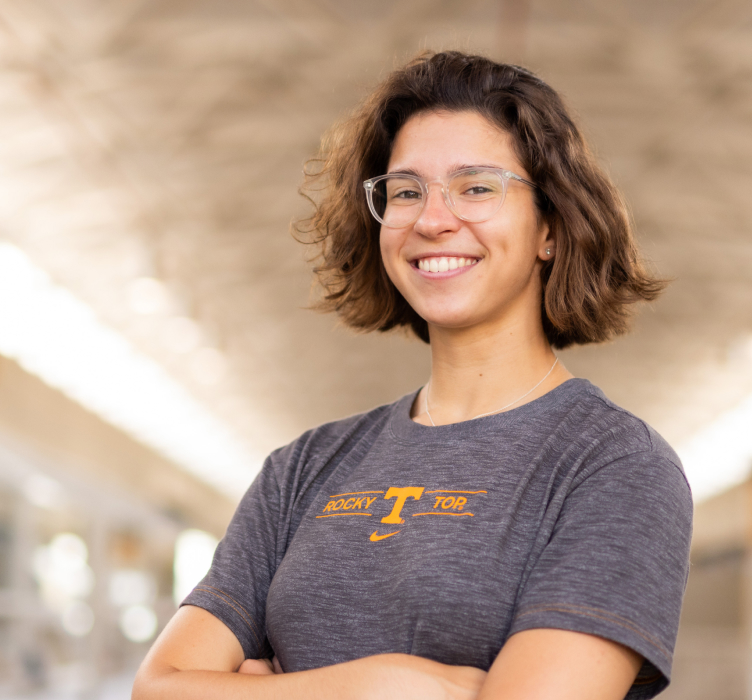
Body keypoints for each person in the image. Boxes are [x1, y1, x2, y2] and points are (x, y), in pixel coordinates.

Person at [133, 51, 692, 700]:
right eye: (405, 192)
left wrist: (263, 689)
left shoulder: (615, 466)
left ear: (551, 227)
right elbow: (160, 688)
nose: (432, 220)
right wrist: (389, 686)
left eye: (477, 187)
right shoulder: (303, 469)